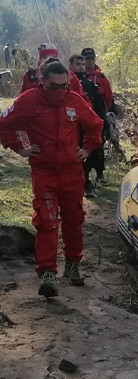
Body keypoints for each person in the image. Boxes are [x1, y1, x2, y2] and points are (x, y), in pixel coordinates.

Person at [0, 61, 104, 297]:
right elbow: (4, 125)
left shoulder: (75, 101)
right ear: (43, 81)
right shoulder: (28, 101)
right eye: (55, 86)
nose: (60, 91)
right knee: (46, 221)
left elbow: (96, 126)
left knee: (73, 219)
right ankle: (47, 273)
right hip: (44, 171)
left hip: (71, 172)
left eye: (64, 86)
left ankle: (73, 266)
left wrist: (87, 149)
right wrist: (19, 148)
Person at [69, 54, 107, 197]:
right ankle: (82, 183)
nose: (81, 67)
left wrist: (103, 120)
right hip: (72, 124)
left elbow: (98, 103)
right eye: (78, 64)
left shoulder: (89, 84)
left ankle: (85, 178)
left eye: (83, 64)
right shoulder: (65, 80)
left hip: (88, 123)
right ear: (71, 65)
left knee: (94, 150)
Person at [20, 43, 87, 99]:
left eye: (53, 58)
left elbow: (83, 99)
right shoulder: (30, 76)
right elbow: (22, 100)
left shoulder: (69, 75)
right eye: (45, 58)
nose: (49, 61)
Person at [80, 48, 115, 114]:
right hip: (82, 113)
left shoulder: (101, 77)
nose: (90, 61)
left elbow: (108, 97)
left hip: (99, 114)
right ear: (82, 60)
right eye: (87, 58)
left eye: (92, 58)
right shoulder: (77, 76)